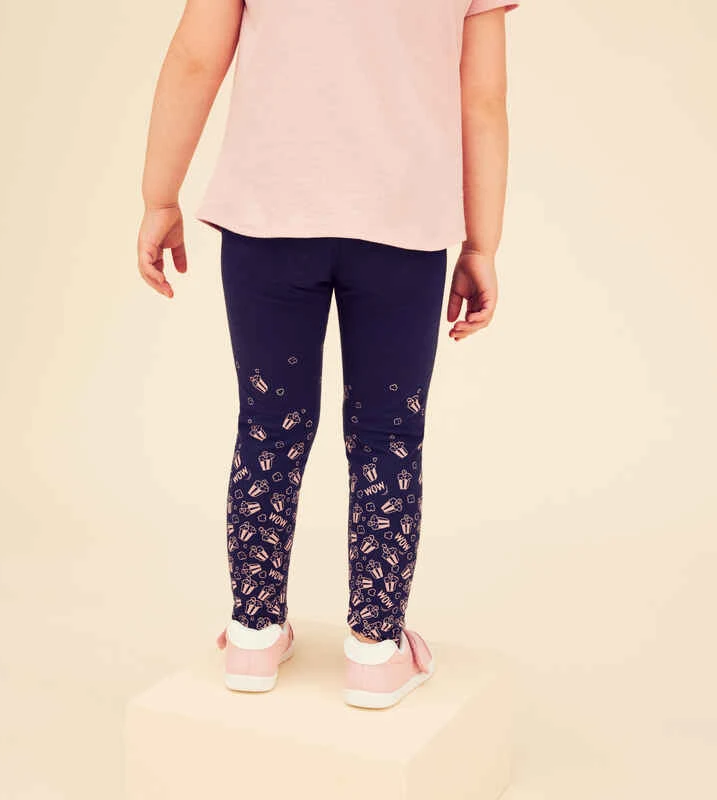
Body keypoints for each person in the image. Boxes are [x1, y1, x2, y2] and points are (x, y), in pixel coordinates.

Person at [136, 0, 520, 709]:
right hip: (403, 229)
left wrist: (160, 197)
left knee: (268, 427)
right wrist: (482, 243)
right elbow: (485, 101)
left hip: (269, 220)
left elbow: (195, 58)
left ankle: (253, 635)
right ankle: (375, 650)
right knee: (388, 436)